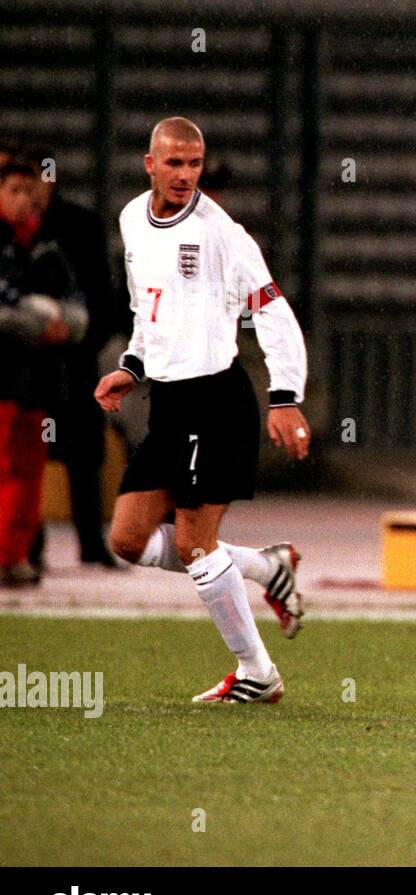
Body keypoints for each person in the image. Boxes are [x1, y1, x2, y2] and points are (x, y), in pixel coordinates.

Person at [94, 117, 310, 703]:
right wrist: (130, 368)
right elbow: (149, 312)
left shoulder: (223, 235)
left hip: (216, 400)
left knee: (193, 543)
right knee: (128, 540)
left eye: (195, 165)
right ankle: (267, 568)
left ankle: (258, 673)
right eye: (175, 164)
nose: (186, 175)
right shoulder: (132, 220)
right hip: (167, 402)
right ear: (151, 165)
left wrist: (286, 397)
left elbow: (272, 311)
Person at [27, 154, 120, 569]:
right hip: (25, 364)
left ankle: (91, 542)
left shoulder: (80, 225)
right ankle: (27, 545)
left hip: (76, 359)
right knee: (25, 454)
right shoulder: (13, 230)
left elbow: (102, 294)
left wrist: (81, 338)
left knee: (85, 453)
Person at [0, 156, 88, 587]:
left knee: (29, 471)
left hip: (35, 380)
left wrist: (64, 326)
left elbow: (78, 308)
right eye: (13, 191)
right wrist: (38, 325)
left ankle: (14, 555)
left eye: (28, 192)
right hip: (3, 374)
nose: (23, 201)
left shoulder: (47, 246)